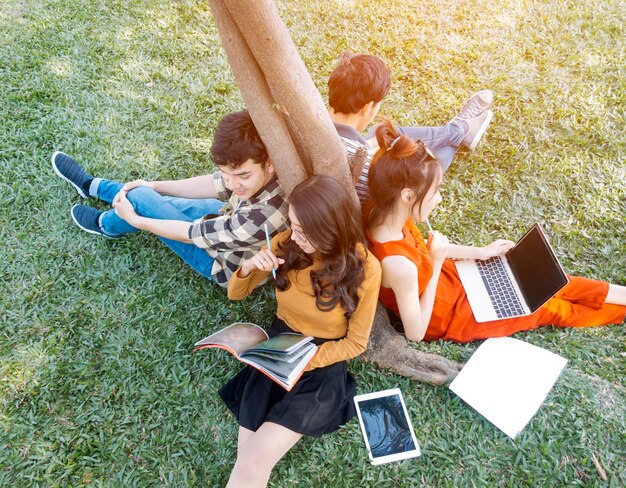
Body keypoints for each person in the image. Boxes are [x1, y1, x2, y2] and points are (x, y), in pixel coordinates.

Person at [365, 118, 626, 343]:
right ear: (408, 195)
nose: (440, 199)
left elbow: (429, 251)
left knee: (550, 282)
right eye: (435, 192)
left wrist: (479, 252)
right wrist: (435, 263)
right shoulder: (399, 266)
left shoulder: (387, 214)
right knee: (546, 307)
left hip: (451, 277)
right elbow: (416, 332)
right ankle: (620, 313)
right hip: (453, 315)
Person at [220, 175, 381, 487]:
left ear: (332, 228)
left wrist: (307, 360)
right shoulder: (285, 245)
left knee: (254, 458)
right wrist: (251, 266)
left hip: (320, 364)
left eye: (306, 232)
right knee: (249, 456)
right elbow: (235, 294)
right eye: (293, 225)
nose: (296, 236)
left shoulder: (366, 268)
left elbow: (356, 342)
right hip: (279, 347)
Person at [51, 110, 288, 287]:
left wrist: (136, 221)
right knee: (147, 196)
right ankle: (96, 188)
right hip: (225, 216)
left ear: (269, 163)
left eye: (242, 175)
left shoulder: (261, 219)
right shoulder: (269, 170)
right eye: (227, 173)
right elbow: (212, 183)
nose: (232, 183)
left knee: (141, 200)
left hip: (222, 263)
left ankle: (107, 223)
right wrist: (154, 186)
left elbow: (189, 235)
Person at [327, 52, 494, 203]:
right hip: (396, 193)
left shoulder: (317, 120)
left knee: (382, 131)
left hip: (348, 155)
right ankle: (460, 130)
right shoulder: (366, 166)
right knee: (427, 165)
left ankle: (458, 130)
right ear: (367, 108)